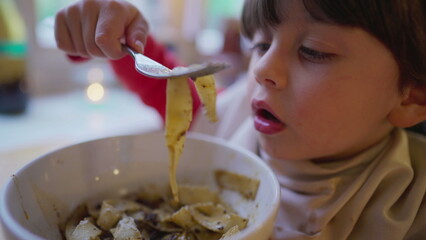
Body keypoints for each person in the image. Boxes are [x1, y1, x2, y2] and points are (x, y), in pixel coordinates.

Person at [54, 0, 426, 239]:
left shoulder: (412, 208)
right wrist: (112, 37)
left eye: (313, 51)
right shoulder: (232, 120)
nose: (262, 67)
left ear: (411, 95)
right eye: (260, 44)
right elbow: (177, 96)